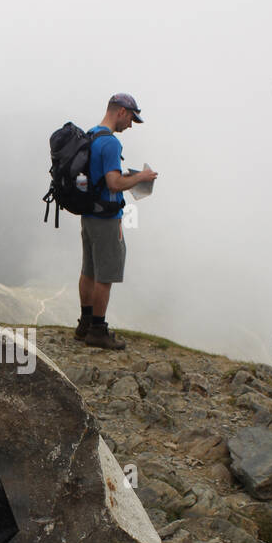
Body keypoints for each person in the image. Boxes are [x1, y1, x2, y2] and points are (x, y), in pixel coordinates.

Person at [76, 93, 157, 350]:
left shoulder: (92, 135)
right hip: (107, 218)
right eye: (131, 118)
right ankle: (98, 330)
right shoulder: (110, 143)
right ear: (121, 111)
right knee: (105, 275)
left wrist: (124, 175)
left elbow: (100, 176)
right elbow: (113, 183)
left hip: (88, 214)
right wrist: (141, 177)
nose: (130, 125)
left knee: (88, 270)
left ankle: (85, 324)